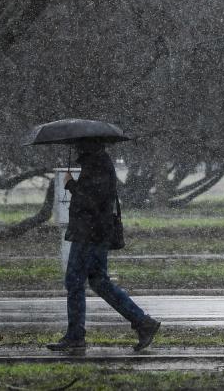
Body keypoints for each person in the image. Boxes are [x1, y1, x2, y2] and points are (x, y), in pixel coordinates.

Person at [46, 141, 160, 352]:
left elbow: (91, 200)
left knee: (74, 280)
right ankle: (143, 323)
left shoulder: (98, 164)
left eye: (77, 144)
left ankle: (75, 336)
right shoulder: (96, 162)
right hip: (95, 232)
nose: (76, 147)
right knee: (99, 282)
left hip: (89, 234)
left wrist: (70, 184)